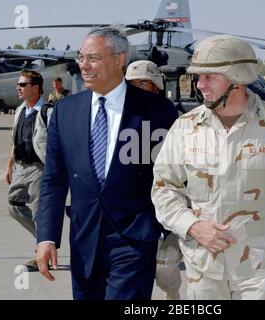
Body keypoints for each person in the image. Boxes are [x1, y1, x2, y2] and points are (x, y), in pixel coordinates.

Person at [151, 34, 265, 300]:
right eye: (198, 77)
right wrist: (192, 226)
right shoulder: (185, 128)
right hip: (203, 269)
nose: (199, 85)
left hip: (260, 269)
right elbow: (163, 189)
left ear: (236, 77)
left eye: (208, 77)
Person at [35, 27, 178, 300]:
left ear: (119, 60)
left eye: (93, 58)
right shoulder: (65, 111)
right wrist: (46, 237)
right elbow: (53, 180)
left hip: (135, 239)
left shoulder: (157, 111)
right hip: (83, 239)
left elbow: (174, 175)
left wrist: (168, 229)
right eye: (81, 57)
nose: (83, 65)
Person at [125, 60, 182, 300]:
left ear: (156, 86)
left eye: (143, 83)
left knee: (165, 269)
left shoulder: (171, 114)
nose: (137, 88)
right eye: (132, 84)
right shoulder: (119, 116)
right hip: (134, 204)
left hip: (168, 199)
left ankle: (172, 294)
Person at [5, 70, 45, 271]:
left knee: (39, 213)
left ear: (35, 88)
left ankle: (42, 254)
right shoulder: (21, 109)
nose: (18, 88)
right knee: (14, 205)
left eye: (22, 84)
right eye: (18, 84)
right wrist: (9, 165)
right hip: (21, 167)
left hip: (39, 168)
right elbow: (15, 139)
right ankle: (45, 240)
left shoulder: (47, 111)